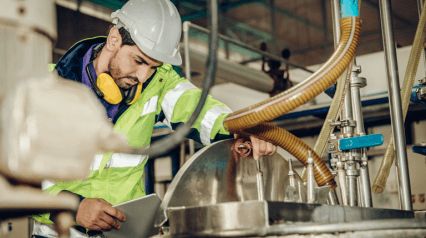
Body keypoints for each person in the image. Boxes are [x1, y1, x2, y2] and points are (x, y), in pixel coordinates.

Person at [32, 0, 276, 237]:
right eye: (138, 60)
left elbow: (197, 108)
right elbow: (16, 178)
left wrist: (241, 126)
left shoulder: (157, 84)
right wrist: (73, 207)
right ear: (114, 39)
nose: (142, 76)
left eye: (153, 67)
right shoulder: (45, 89)